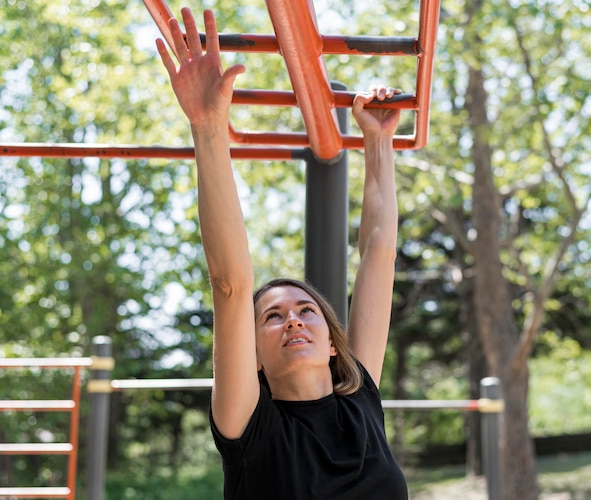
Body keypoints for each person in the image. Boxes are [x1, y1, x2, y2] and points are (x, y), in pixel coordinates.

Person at [157, 6, 408, 499]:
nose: (293, 320)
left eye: (306, 310)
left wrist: (378, 142)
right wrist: (208, 127)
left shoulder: (361, 402)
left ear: (333, 343)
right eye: (272, 317)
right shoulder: (249, 425)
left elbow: (379, 254)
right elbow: (230, 284)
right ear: (251, 355)